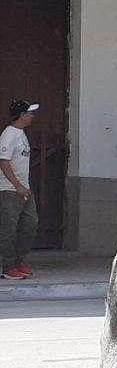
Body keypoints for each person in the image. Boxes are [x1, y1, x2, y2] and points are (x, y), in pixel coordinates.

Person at [0, 101, 40, 280]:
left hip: (24, 190)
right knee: (8, 229)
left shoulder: (22, 134)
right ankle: (8, 266)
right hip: (9, 190)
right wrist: (17, 185)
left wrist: (25, 187)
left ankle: (19, 260)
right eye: (29, 113)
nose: (32, 116)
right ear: (22, 115)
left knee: (30, 224)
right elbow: (3, 161)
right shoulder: (9, 135)